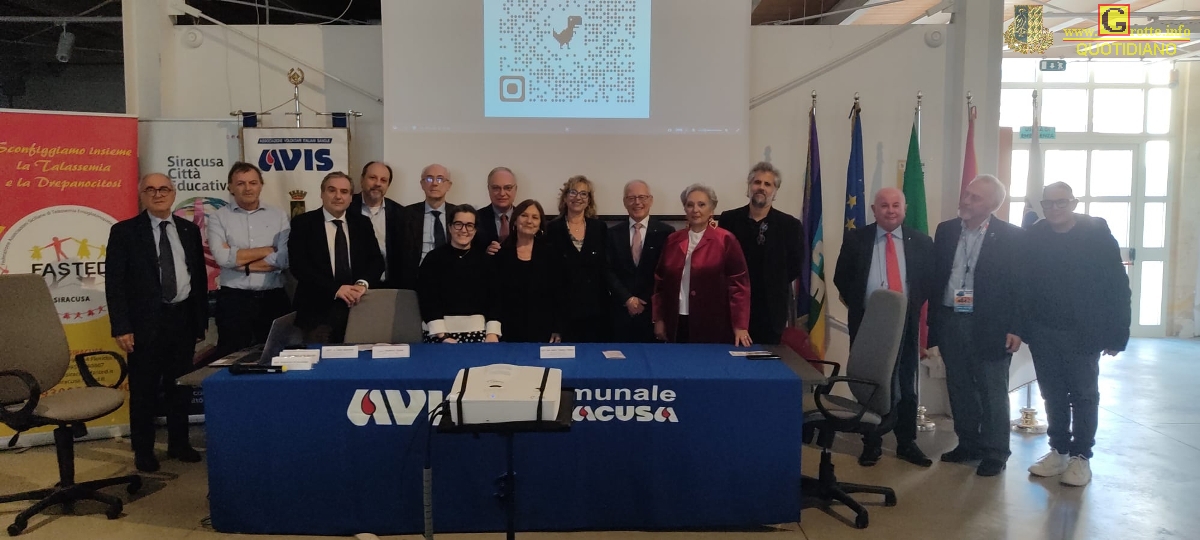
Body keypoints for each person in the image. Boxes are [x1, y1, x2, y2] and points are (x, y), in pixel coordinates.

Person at [1024, 181, 1131, 487]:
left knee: (1084, 394)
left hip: (1084, 331)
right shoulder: (1035, 234)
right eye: (1048, 203)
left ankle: (1081, 456)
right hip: (1044, 330)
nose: (1055, 208)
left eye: (1061, 202)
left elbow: (1117, 285)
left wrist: (1117, 333)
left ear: (1073, 203)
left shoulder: (1096, 232)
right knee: (1052, 393)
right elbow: (1024, 282)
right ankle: (1058, 450)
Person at [105, 173, 207, 472]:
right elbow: (115, 284)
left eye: (164, 189)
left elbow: (198, 278)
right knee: (144, 390)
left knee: (180, 387)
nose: (158, 194)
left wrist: (199, 322)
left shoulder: (188, 230)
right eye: (150, 189)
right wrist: (121, 326)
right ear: (142, 195)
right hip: (143, 324)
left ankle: (179, 443)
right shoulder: (124, 232)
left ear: (173, 194)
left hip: (182, 319)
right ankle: (144, 449)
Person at [929, 174, 1025, 477]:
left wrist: (1016, 327)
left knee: (992, 389)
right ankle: (968, 443)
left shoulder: (1011, 237)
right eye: (967, 194)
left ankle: (996, 452)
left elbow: (1021, 287)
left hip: (991, 324)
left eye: (975, 198)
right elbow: (937, 275)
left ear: (992, 205)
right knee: (959, 386)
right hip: (951, 319)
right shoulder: (946, 230)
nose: (966, 201)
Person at [833, 187, 935, 467]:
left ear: (904, 209)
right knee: (871, 385)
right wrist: (866, 306)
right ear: (874, 210)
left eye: (896, 205)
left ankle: (906, 442)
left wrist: (908, 307)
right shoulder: (856, 239)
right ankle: (872, 442)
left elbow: (928, 280)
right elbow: (842, 277)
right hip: (868, 324)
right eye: (884, 205)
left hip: (905, 323)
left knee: (906, 384)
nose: (890, 210)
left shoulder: (921, 242)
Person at [206, 162, 291, 361]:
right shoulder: (218, 218)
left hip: (273, 299)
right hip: (234, 301)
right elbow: (221, 258)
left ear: (261, 185)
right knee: (232, 360)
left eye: (253, 183)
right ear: (230, 187)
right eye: (241, 183)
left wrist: (238, 260)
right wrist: (268, 250)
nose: (247, 188)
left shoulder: (279, 215)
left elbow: (284, 259)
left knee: (277, 359)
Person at [287, 171, 385, 343]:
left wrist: (362, 284)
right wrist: (336, 289)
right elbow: (299, 267)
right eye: (332, 190)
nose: (338, 196)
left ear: (350, 197)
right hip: (316, 311)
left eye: (344, 192)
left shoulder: (362, 223)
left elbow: (376, 261)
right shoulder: (303, 223)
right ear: (322, 194)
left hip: (356, 308)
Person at [652, 184, 751, 346]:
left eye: (701, 204)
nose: (695, 210)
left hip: (713, 323)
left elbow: (739, 285)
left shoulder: (725, 240)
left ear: (711, 210)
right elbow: (660, 283)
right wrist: (658, 318)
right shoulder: (672, 240)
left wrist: (740, 326)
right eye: (690, 205)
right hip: (676, 321)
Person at [718, 162, 804, 345]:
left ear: (775, 190)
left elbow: (795, 266)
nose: (761, 188)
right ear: (749, 186)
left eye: (768, 184)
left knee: (765, 358)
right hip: (734, 306)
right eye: (757, 182)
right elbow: (721, 261)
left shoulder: (790, 225)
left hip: (771, 311)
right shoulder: (729, 219)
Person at [417, 205, 502, 343]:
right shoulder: (433, 258)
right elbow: (428, 299)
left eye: (469, 225)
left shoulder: (485, 261)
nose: (463, 230)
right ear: (450, 227)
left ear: (475, 230)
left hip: (479, 334)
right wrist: (442, 335)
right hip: (438, 336)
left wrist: (492, 333)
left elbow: (494, 299)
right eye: (458, 224)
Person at [606, 180, 674, 342]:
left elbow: (666, 272)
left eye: (642, 197)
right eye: (631, 198)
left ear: (651, 200)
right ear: (624, 202)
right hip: (620, 313)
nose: (637, 202)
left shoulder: (666, 232)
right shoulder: (612, 233)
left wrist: (645, 301)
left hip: (653, 313)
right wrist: (628, 299)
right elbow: (607, 270)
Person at [545, 175, 610, 342]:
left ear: (589, 200)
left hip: (596, 312)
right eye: (573, 192)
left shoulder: (599, 228)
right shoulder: (552, 229)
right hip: (564, 313)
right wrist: (555, 324)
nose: (578, 197)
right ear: (565, 197)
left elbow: (605, 270)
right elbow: (550, 278)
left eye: (583, 194)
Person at [491, 199, 564, 343]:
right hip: (507, 331)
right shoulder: (501, 253)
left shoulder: (551, 253)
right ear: (515, 220)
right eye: (524, 215)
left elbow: (559, 294)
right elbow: (495, 296)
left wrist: (558, 328)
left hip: (543, 331)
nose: (529, 221)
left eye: (535, 217)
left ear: (540, 224)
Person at [348, 161, 406, 289]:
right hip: (352, 287)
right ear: (362, 180)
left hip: (388, 286)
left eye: (383, 180)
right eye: (372, 178)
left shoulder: (400, 213)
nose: (378, 183)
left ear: (388, 185)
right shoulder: (347, 207)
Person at [399, 163, 458, 289]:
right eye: (429, 179)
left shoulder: (458, 214)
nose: (434, 183)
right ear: (422, 184)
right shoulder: (406, 214)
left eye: (440, 179)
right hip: (416, 280)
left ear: (449, 185)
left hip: (451, 278)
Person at [474, 166, 518, 254]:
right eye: (496, 188)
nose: (502, 193)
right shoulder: (475, 218)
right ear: (488, 189)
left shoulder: (525, 218)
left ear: (515, 189)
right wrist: (485, 253)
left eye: (507, 188)